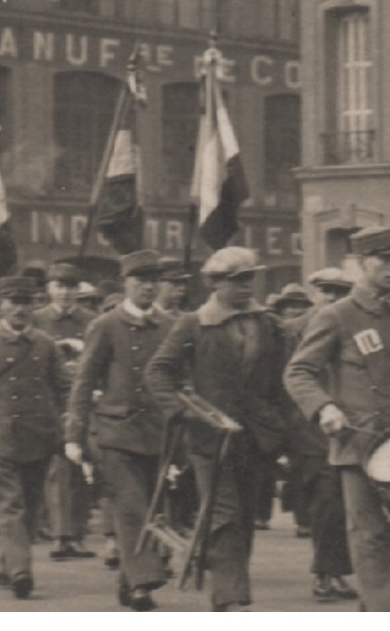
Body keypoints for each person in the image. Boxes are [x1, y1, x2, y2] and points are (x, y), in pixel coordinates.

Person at [284, 226, 390, 612]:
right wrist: (325, 407)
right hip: (357, 444)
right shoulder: (337, 316)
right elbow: (298, 372)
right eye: (385, 259)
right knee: (370, 536)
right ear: (362, 264)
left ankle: (375, 607)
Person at [147, 247, 290, 612]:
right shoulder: (194, 324)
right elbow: (158, 371)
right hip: (210, 438)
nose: (246, 287)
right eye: (238, 280)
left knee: (244, 515)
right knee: (223, 511)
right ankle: (230, 596)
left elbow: (284, 378)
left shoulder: (269, 324)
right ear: (216, 283)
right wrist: (182, 411)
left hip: (257, 437)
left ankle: (227, 580)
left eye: (250, 279)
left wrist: (281, 425)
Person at [65, 250, 174, 610]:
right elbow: (83, 382)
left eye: (153, 280)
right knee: (131, 507)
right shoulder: (106, 325)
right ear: (126, 283)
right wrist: (74, 434)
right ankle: (143, 582)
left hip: (158, 435)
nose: (148, 287)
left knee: (153, 508)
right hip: (116, 433)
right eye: (140, 280)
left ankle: (129, 581)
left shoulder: (170, 325)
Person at [0, 275, 70, 599]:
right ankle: (21, 571)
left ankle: (8, 564)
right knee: (10, 506)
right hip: (0, 438)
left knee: (31, 508)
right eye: (12, 302)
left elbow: (64, 387)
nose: (19, 309)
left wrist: (67, 423)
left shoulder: (46, 344)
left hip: (39, 437)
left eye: (25, 303)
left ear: (34, 306)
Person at [282, 268, 355, 603]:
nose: (331, 298)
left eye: (338, 292)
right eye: (325, 291)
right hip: (310, 427)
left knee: (341, 504)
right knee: (325, 501)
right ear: (314, 294)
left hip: (349, 425)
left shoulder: (353, 326)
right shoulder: (292, 331)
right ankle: (325, 575)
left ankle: (336, 571)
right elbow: (285, 378)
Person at [32, 261, 95, 561]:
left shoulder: (92, 321)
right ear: (48, 289)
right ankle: (59, 534)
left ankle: (78, 535)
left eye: (71, 286)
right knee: (56, 470)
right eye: (59, 286)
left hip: (84, 402)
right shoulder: (36, 321)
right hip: (49, 403)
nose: (65, 293)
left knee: (81, 467)